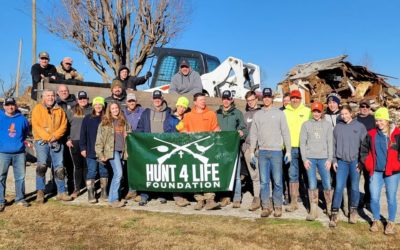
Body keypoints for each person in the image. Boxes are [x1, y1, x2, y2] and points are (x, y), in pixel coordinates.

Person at [249, 88, 291, 218]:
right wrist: (252, 151)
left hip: (276, 152)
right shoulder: (258, 115)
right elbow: (253, 134)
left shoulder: (279, 113)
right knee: (264, 182)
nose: (266, 99)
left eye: (269, 96)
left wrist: (288, 150)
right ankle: (266, 206)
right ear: (262, 98)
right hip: (262, 152)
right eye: (264, 97)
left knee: (278, 181)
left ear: (272, 98)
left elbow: (285, 132)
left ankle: (278, 206)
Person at [360, 107, 400, 235]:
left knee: (391, 198)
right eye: (377, 120)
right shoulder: (371, 134)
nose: (379, 123)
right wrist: (367, 163)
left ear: (387, 120)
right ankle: (376, 220)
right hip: (375, 172)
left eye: (381, 120)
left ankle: (391, 222)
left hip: (392, 173)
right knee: (374, 198)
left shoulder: (397, 134)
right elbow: (364, 150)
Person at [180, 92, 221, 210]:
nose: (203, 101)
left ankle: (210, 200)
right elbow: (182, 128)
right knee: (195, 174)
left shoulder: (211, 114)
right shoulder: (188, 116)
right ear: (195, 102)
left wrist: (219, 131)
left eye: (204, 99)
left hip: (208, 149)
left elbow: (215, 128)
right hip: (193, 150)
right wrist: (184, 132)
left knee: (208, 173)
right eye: (201, 100)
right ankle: (199, 200)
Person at [329, 105, 367, 228]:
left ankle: (353, 210)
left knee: (355, 187)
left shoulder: (360, 127)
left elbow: (364, 146)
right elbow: (333, 145)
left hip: (355, 162)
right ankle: (334, 212)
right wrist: (334, 160)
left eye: (346, 113)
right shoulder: (337, 128)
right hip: (341, 162)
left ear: (351, 113)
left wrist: (361, 162)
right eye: (342, 114)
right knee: (339, 186)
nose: (344, 116)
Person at [32, 89, 72, 202]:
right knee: (42, 166)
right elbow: (36, 125)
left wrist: (55, 136)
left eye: (52, 95)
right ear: (43, 97)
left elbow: (64, 126)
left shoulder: (60, 110)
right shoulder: (37, 109)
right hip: (41, 141)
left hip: (57, 141)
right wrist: (48, 137)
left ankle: (61, 192)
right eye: (48, 96)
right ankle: (40, 192)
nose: (50, 98)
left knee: (59, 168)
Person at [136, 90, 171, 205]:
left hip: (163, 145)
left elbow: (173, 127)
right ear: (152, 99)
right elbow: (140, 127)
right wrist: (133, 135)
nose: (157, 100)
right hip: (148, 146)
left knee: (162, 170)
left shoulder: (169, 111)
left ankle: (162, 193)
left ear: (162, 98)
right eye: (155, 98)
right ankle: (144, 195)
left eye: (159, 98)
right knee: (148, 170)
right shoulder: (146, 112)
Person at [300, 101, 333, 221]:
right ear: (312, 111)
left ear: (322, 112)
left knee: (327, 182)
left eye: (318, 111)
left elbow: (330, 143)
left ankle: (329, 207)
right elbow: (302, 143)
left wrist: (329, 159)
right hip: (310, 159)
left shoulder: (327, 125)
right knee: (312, 183)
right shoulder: (306, 125)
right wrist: (304, 159)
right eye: (314, 111)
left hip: (324, 158)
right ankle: (313, 210)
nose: (316, 113)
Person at [95, 102, 131, 208]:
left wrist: (127, 133)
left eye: (116, 108)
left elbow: (129, 134)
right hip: (112, 151)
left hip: (122, 151)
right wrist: (100, 154)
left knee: (118, 175)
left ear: (119, 109)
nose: (115, 110)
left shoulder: (124, 121)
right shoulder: (105, 123)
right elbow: (99, 139)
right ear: (109, 110)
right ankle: (114, 199)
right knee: (118, 174)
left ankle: (112, 198)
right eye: (112, 108)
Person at [216, 90, 247, 208]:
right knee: (223, 173)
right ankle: (225, 197)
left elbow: (244, 129)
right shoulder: (217, 113)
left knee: (236, 175)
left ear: (232, 100)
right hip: (221, 149)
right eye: (224, 98)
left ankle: (237, 197)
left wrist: (241, 133)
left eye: (228, 99)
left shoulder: (237, 113)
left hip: (234, 149)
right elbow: (212, 128)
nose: (226, 100)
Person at [0, 98, 30, 212]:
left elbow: (26, 132)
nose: (10, 107)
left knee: (20, 177)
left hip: (19, 153)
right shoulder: (0, 117)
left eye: (12, 105)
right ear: (4, 106)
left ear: (16, 106)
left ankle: (20, 199)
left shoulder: (22, 119)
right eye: (7, 105)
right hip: (2, 153)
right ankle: (1, 201)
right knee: (1, 177)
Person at [283, 89, 311, 212]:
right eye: (293, 98)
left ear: (301, 99)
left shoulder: (307, 111)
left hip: (306, 148)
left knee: (308, 175)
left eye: (297, 98)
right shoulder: (284, 113)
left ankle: (310, 203)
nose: (295, 100)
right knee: (292, 175)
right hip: (290, 148)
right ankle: (293, 202)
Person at [80, 97, 108, 203]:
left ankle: (104, 193)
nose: (98, 106)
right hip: (90, 149)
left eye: (100, 104)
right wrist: (83, 148)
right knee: (91, 171)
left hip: (103, 151)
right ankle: (91, 194)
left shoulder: (106, 118)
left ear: (103, 106)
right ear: (93, 106)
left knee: (103, 171)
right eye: (96, 104)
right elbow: (83, 134)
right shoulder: (87, 118)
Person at [165, 96, 191, 207]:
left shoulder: (187, 117)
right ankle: (177, 197)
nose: (181, 109)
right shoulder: (170, 118)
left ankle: (184, 195)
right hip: (174, 148)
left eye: (184, 107)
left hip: (186, 147)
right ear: (177, 106)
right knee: (175, 172)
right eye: (180, 106)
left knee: (185, 171)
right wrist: (176, 128)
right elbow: (166, 132)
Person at [66, 91, 92, 198]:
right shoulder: (71, 111)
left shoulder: (92, 110)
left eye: (84, 98)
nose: (82, 100)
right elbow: (66, 126)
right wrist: (68, 138)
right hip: (75, 141)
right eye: (80, 99)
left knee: (87, 165)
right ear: (77, 100)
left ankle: (88, 186)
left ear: (87, 99)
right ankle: (77, 188)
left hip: (88, 142)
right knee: (77, 166)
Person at [241, 90, 261, 211]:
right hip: (249, 148)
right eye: (248, 101)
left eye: (252, 100)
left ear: (256, 99)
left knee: (263, 174)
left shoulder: (262, 112)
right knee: (254, 175)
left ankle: (266, 199)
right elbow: (243, 131)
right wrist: (245, 148)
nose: (250, 103)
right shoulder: (245, 115)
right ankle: (256, 198)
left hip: (261, 147)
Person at [122, 92, 144, 201]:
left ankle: (140, 190)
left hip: (140, 143)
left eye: (133, 101)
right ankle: (130, 190)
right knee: (128, 166)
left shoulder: (143, 111)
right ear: (126, 102)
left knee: (139, 166)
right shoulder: (123, 113)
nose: (131, 103)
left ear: (136, 102)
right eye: (129, 101)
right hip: (127, 144)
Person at [356, 99, 375, 209]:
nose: (364, 108)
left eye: (366, 107)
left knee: (368, 179)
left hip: (369, 154)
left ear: (369, 108)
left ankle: (367, 199)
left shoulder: (373, 120)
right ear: (359, 108)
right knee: (356, 179)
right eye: (362, 106)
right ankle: (356, 200)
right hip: (357, 153)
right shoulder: (356, 120)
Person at [279, 91, 291, 204]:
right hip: (280, 146)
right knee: (282, 172)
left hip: (291, 146)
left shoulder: (292, 112)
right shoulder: (279, 112)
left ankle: (291, 194)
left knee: (290, 172)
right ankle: (283, 194)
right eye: (284, 100)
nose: (286, 102)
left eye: (288, 100)